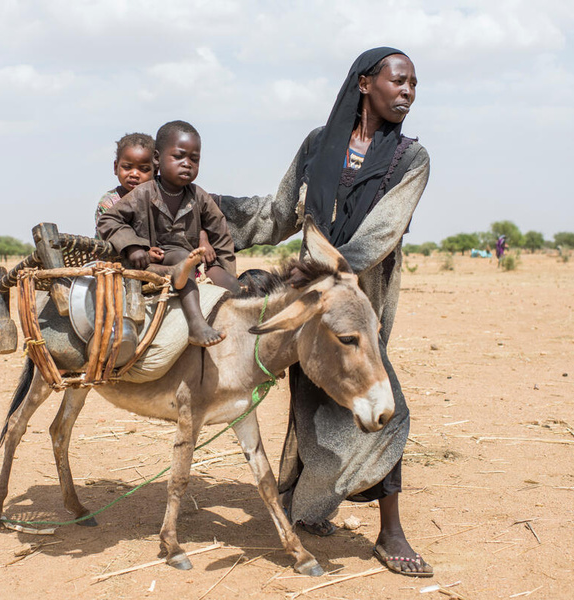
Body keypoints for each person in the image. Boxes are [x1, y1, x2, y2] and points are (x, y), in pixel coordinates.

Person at [217, 48, 433, 577]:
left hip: (361, 295)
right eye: (398, 81)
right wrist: (207, 208)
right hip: (311, 295)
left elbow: (382, 233)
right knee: (309, 396)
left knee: (380, 395)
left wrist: (330, 275)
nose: (407, 92)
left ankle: (391, 530)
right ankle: (308, 506)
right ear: (365, 83)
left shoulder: (411, 158)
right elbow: (278, 212)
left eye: (413, 84)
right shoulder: (318, 144)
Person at [97, 120, 241, 347]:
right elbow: (109, 219)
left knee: (233, 286)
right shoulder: (143, 193)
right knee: (183, 258)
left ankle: (239, 341)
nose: (187, 164)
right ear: (157, 159)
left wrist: (223, 270)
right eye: (179, 157)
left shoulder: (199, 196)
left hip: (193, 264)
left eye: (194, 159)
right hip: (152, 263)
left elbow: (221, 235)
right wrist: (133, 246)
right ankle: (196, 325)